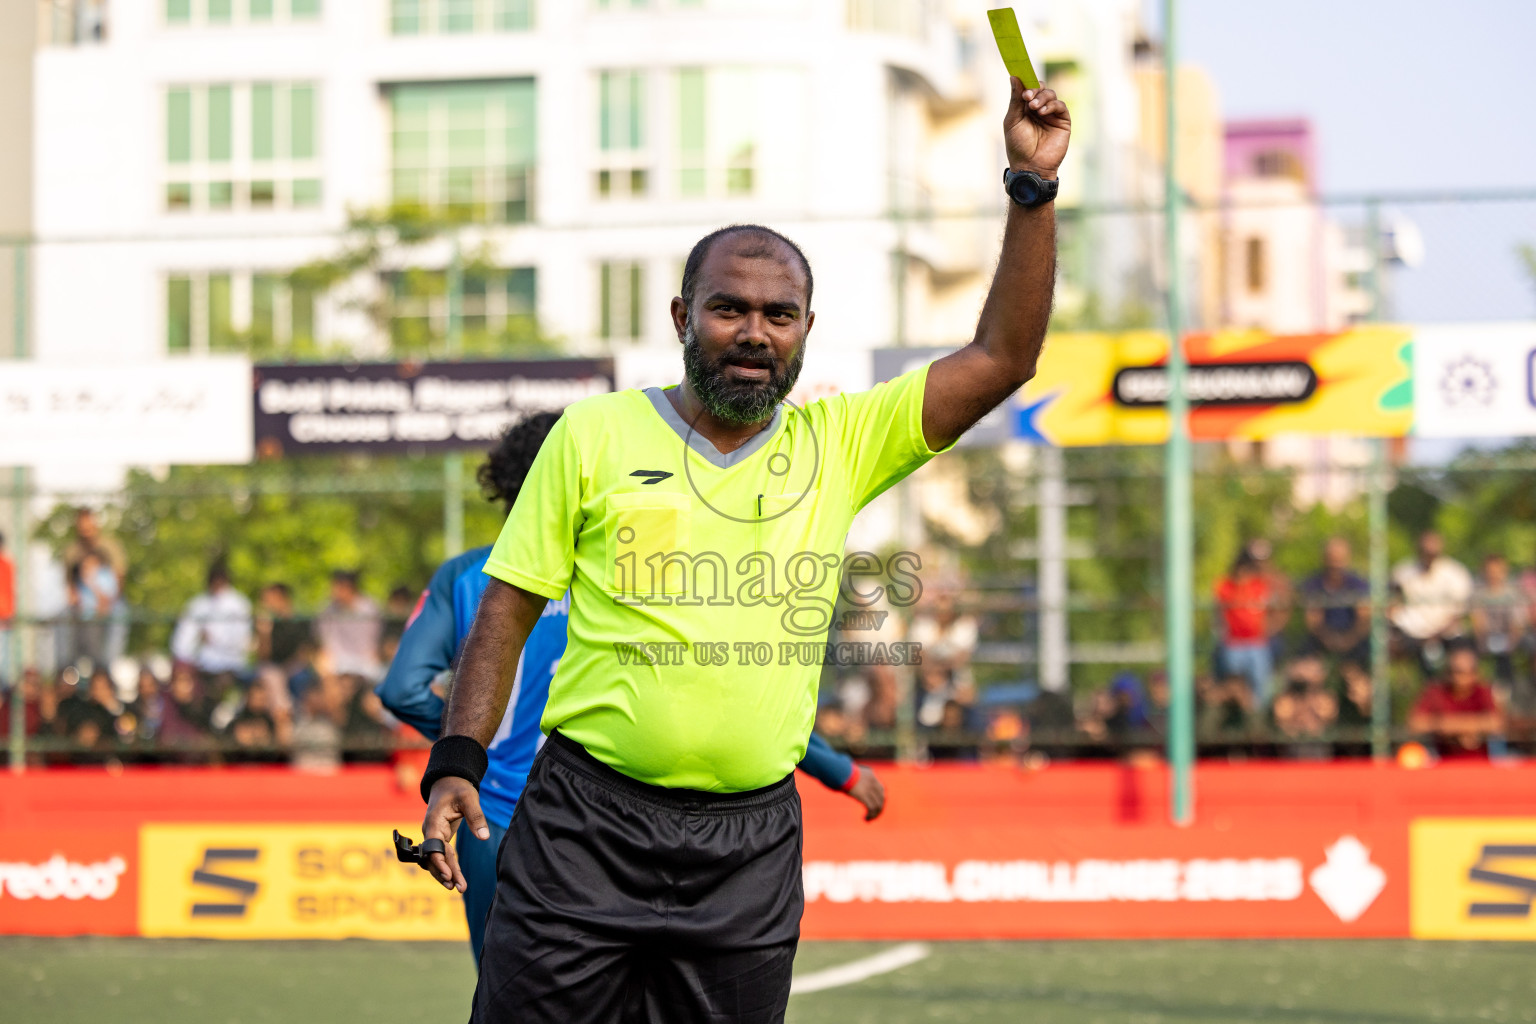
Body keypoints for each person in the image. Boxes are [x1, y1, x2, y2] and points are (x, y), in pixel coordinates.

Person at [417, 78, 1070, 1022]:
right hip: (582, 826)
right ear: (683, 318)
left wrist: (1030, 185)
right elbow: (507, 608)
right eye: (730, 310)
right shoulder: (594, 434)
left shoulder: (843, 442)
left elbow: (1005, 356)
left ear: (807, 329)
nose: (753, 333)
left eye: (779, 314)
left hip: (749, 847)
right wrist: (456, 761)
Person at [378, 415, 885, 966]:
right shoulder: (637, 566)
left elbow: (402, 688)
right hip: (610, 817)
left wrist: (479, 738)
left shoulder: (466, 576)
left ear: (505, 485)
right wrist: (842, 771)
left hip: (492, 815)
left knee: (515, 999)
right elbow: (714, 693)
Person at [1390, 530, 1472, 676]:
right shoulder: (1403, 572)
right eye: (1425, 552)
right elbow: (1393, 606)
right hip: (1411, 634)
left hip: (1448, 634)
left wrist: (1435, 636)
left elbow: (1459, 613)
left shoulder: (1455, 573)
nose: (1429, 556)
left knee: (1464, 656)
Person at [1409, 640, 1503, 759]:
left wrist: (1458, 727)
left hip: (1479, 764)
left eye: (1464, 673)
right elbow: (1416, 723)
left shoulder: (1482, 691)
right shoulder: (1436, 691)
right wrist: (1452, 728)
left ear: (1475, 674)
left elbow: (1496, 722)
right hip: (1443, 762)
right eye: (1454, 672)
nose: (1458, 678)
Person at [170, 560, 253, 678]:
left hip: (232, 664)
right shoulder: (198, 604)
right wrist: (185, 659)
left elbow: (241, 641)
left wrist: (214, 640)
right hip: (201, 665)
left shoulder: (240, 605)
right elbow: (183, 639)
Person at [1214, 550, 1275, 708]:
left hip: (1256, 642)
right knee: (1235, 683)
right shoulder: (1225, 586)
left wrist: (1269, 628)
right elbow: (1218, 614)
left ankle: (1256, 718)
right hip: (1233, 643)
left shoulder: (1259, 585)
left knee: (1259, 683)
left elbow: (1271, 610)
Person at [1300, 537, 1371, 671]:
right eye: (1332, 558)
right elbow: (1313, 620)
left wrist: (1348, 641)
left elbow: (1364, 619)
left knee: (1357, 675)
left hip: (1354, 640)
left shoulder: (1358, 584)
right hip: (1320, 641)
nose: (1335, 564)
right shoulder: (1314, 584)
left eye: (1339, 559)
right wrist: (1329, 640)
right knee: (1305, 671)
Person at [315, 571, 383, 681]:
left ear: (349, 587)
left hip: (364, 660)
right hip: (337, 661)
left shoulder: (370, 609)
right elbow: (324, 644)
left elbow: (374, 641)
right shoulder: (327, 610)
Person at [1470, 553, 1525, 686]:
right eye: (1490, 571)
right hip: (1485, 638)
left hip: (1510, 638)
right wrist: (1484, 641)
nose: (1493, 575)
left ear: (1505, 571)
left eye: (1497, 571)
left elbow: (1517, 624)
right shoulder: (1477, 593)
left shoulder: (1514, 593)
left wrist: (1509, 643)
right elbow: (1477, 622)